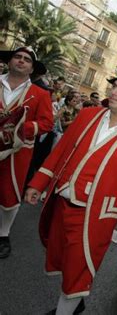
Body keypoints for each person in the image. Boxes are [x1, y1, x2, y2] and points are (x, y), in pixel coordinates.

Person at [24, 67, 117, 314]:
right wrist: (38, 183)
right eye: (115, 86)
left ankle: (67, 308)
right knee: (62, 260)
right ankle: (72, 304)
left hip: (94, 215)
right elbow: (61, 150)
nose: (115, 92)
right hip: (61, 203)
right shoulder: (88, 116)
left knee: (79, 271)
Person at [0, 46, 53, 259]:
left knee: (9, 192)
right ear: (9, 61)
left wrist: (22, 129)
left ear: (32, 69)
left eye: (26, 60)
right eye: (17, 57)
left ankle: (3, 234)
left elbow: (47, 123)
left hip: (18, 151)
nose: (21, 61)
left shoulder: (40, 94)